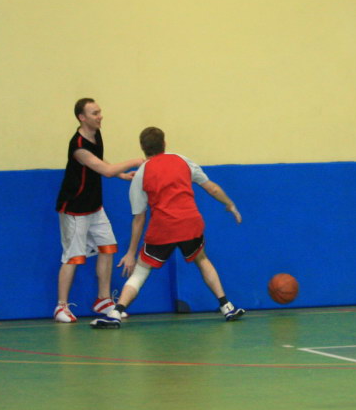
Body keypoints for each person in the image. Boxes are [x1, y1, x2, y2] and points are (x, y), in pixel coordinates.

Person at [90, 127, 246, 328]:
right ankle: (227, 306)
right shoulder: (182, 160)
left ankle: (116, 313)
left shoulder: (141, 174)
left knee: (141, 271)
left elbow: (139, 218)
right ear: (164, 143)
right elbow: (212, 188)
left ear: (143, 148)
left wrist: (130, 253)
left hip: (163, 228)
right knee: (202, 260)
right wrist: (230, 204)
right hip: (190, 223)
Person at [53, 98, 142, 323]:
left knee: (108, 247)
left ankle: (103, 299)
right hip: (75, 208)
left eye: (99, 111)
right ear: (82, 118)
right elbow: (106, 170)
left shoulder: (96, 134)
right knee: (73, 257)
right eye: (94, 113)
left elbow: (101, 162)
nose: (100, 116)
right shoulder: (78, 146)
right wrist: (135, 161)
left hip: (94, 206)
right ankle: (61, 306)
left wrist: (122, 175)